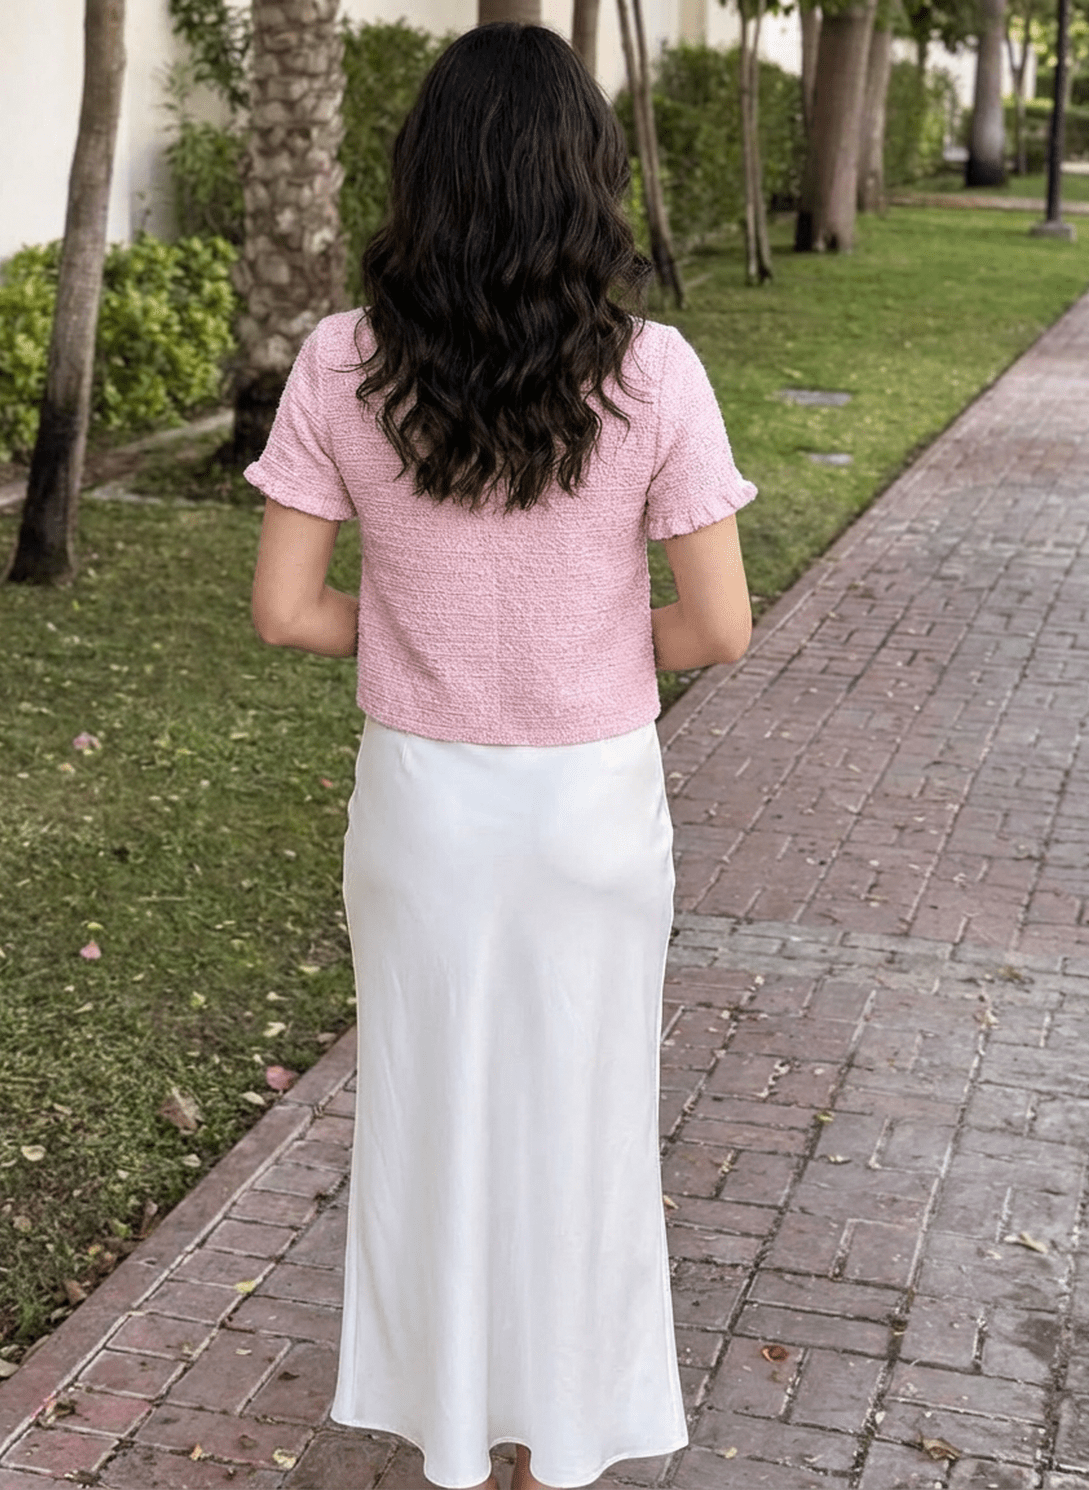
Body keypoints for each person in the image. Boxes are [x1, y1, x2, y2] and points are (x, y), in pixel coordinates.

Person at [247, 22, 754, 1490]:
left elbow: (285, 610)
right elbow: (717, 626)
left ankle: (454, 1439)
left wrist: (419, 630)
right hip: (593, 801)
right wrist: (578, 647)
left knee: (435, 1120)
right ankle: (563, 1445)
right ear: (586, 184)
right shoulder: (654, 371)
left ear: (423, 180)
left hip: (424, 807)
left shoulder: (342, 362)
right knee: (584, 1126)